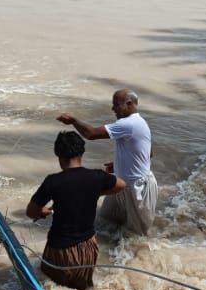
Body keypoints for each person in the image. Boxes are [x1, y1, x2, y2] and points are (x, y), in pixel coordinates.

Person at [26, 132, 125, 290]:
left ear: (58, 155)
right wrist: (96, 192)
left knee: (48, 288)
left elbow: (30, 211)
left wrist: (42, 212)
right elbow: (121, 184)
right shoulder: (96, 176)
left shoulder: (53, 181)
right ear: (81, 153)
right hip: (88, 249)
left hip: (61, 251)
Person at [56, 89, 157, 235]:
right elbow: (149, 153)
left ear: (128, 104)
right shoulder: (139, 123)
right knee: (105, 222)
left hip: (137, 187)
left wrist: (74, 121)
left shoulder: (129, 124)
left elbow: (91, 134)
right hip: (120, 183)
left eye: (116, 104)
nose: (112, 109)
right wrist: (119, 164)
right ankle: (110, 254)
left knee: (137, 236)